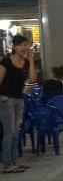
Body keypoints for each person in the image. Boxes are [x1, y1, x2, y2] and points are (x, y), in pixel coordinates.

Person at [0, 33, 37, 173]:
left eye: (25, 45)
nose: (24, 48)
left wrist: (32, 60)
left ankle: (15, 162)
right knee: (9, 131)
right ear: (14, 47)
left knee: (16, 131)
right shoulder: (5, 62)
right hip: (5, 99)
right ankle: (8, 164)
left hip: (18, 98)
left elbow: (33, 79)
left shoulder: (26, 62)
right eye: (21, 45)